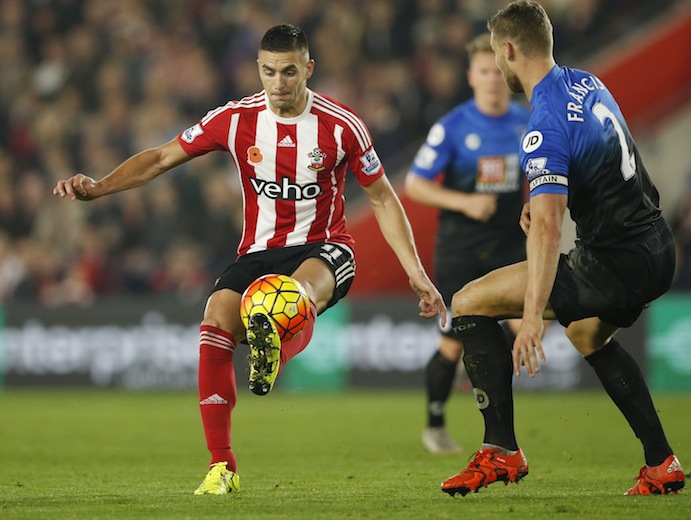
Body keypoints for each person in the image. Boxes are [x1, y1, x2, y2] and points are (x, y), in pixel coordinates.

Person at [54, 24, 445, 495]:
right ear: (257, 69)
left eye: (288, 71)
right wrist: (98, 187)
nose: (278, 82)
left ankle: (275, 342)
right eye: (268, 71)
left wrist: (416, 273)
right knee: (215, 323)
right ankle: (223, 466)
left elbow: (382, 199)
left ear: (308, 69)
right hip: (258, 250)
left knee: (282, 297)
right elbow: (160, 158)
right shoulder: (236, 119)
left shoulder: (342, 126)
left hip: (326, 248)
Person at [439, 0, 685, 497]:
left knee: (466, 302)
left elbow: (549, 232)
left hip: (614, 264)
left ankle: (502, 450)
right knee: (588, 338)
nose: (498, 65)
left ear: (508, 49)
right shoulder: (587, 82)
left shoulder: (544, 121)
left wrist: (531, 316)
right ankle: (662, 463)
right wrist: (540, 195)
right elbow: (612, 160)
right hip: (658, 246)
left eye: (496, 54)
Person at [405, 33, 529, 454]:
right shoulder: (453, 126)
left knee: (529, 325)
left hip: (511, 247)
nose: (492, 80)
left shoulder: (525, 122)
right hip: (461, 248)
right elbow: (415, 184)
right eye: (483, 72)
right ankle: (436, 422)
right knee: (454, 341)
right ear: (470, 77)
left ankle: (499, 430)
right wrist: (464, 201)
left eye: (498, 71)